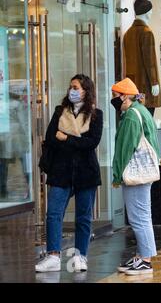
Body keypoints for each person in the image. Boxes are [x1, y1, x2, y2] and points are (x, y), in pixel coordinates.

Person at [35, 75, 103, 273]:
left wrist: (66, 138)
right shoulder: (59, 112)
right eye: (70, 86)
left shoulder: (96, 114)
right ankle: (53, 256)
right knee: (53, 214)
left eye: (75, 87)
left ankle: (81, 256)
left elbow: (91, 143)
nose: (71, 90)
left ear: (85, 90)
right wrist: (74, 139)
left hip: (86, 173)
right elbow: (50, 138)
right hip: (60, 172)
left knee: (83, 217)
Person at [112, 78, 160, 276]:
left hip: (135, 173)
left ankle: (146, 260)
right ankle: (143, 255)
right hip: (145, 171)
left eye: (115, 96)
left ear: (124, 96)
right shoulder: (142, 111)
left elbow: (125, 148)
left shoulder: (131, 115)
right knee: (143, 215)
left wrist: (116, 175)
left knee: (138, 217)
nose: (113, 100)